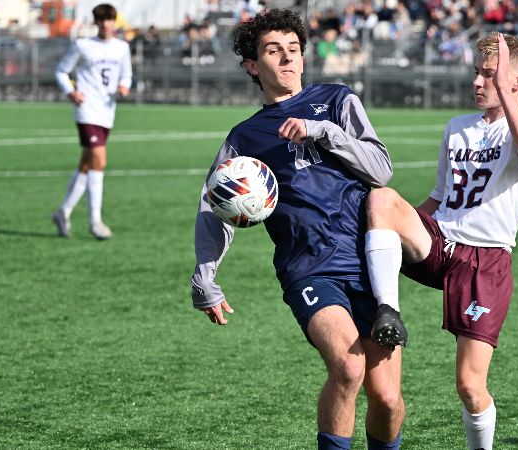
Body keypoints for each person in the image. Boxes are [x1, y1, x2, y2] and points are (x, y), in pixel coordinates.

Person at [190, 9, 405, 450]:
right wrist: (205, 274)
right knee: (348, 368)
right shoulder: (245, 137)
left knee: (385, 397)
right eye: (273, 51)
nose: (287, 59)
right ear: (253, 65)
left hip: (368, 262)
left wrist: (323, 132)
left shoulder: (337, 100)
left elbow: (380, 170)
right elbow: (215, 205)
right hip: (307, 267)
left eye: (294, 50)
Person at [364, 32, 518, 450]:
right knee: (381, 200)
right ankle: (387, 311)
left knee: (469, 385)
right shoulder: (457, 127)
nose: (477, 82)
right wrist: (398, 221)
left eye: (489, 76)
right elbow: (439, 196)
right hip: (440, 242)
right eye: (477, 73)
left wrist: (507, 97)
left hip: (484, 261)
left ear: (516, 82)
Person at [52, 3, 132, 239]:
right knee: (100, 159)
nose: (106, 24)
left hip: (107, 111)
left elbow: (126, 74)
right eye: (101, 19)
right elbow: (61, 71)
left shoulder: (121, 48)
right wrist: (71, 91)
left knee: (87, 165)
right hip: (86, 109)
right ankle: (95, 221)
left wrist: (124, 86)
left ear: (114, 21)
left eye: (109, 19)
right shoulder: (83, 45)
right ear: (95, 22)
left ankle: (63, 212)